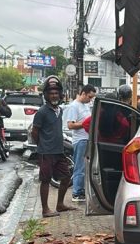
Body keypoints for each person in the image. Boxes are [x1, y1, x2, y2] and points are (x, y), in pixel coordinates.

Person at [32, 76, 74, 218]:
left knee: (66, 177)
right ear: (46, 95)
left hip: (59, 151)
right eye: (51, 93)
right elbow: (35, 132)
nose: (54, 95)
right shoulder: (42, 112)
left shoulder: (59, 110)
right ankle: (45, 210)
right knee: (45, 180)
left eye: (56, 93)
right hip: (46, 152)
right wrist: (42, 145)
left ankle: (60, 204)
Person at [65, 84, 97, 203]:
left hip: (87, 139)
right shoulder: (74, 106)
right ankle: (77, 193)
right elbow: (70, 125)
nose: (90, 100)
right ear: (83, 93)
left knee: (85, 168)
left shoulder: (85, 105)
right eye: (89, 97)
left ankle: (81, 190)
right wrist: (85, 123)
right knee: (80, 167)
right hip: (80, 140)